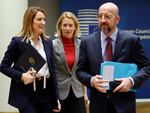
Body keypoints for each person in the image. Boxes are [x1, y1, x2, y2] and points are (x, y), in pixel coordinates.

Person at [76, 2, 150, 113]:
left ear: (117, 19)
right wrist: (92, 80)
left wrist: (131, 81)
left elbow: (147, 67)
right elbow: (80, 71)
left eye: (107, 16)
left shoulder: (131, 40)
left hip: (124, 105)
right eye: (100, 16)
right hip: (98, 105)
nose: (102, 20)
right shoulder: (86, 42)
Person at [0, 7, 61, 113]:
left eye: (44, 19)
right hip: (26, 94)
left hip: (46, 92)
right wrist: (22, 76)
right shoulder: (17, 42)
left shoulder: (48, 42)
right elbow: (3, 66)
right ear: (30, 20)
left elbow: (53, 71)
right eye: (39, 19)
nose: (43, 22)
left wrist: (56, 97)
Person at [52, 11, 88, 113]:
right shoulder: (53, 45)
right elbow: (51, 71)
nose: (68, 28)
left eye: (70, 25)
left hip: (78, 92)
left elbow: (82, 70)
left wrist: (85, 93)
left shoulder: (81, 44)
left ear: (75, 27)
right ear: (60, 27)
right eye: (65, 25)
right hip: (60, 93)